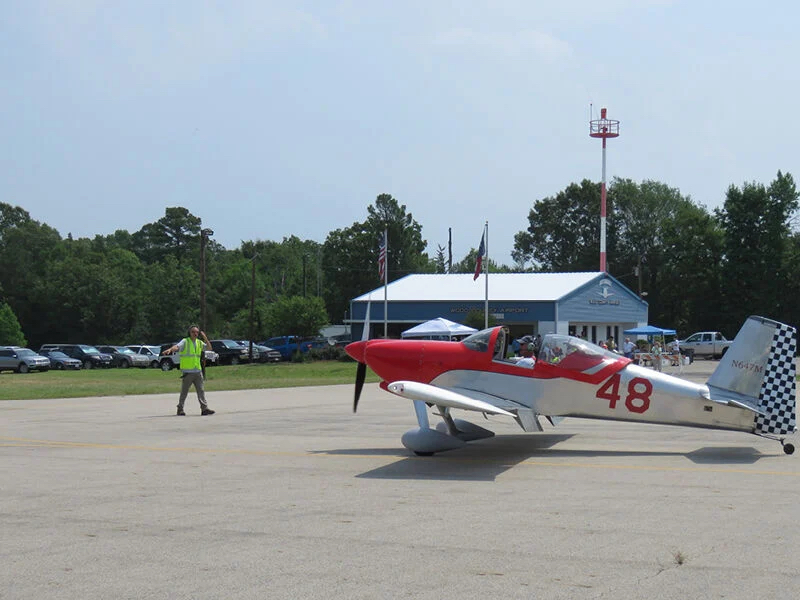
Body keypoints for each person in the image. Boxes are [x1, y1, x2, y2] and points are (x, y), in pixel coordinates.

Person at [163, 325, 215, 416]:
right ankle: (180, 409)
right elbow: (177, 347)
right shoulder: (185, 341)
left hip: (198, 371)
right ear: (189, 333)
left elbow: (209, 348)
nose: (195, 334)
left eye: (197, 332)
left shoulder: (199, 342)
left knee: (201, 391)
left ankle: (204, 409)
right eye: (193, 332)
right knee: (184, 392)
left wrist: (205, 338)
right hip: (188, 373)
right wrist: (171, 349)